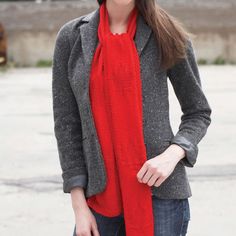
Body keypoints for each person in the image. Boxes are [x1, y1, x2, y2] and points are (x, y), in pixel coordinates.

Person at [52, 0, 212, 235]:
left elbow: (198, 111)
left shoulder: (166, 33)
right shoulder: (72, 37)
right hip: (98, 197)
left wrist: (172, 155)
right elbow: (67, 125)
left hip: (161, 194)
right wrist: (79, 206)